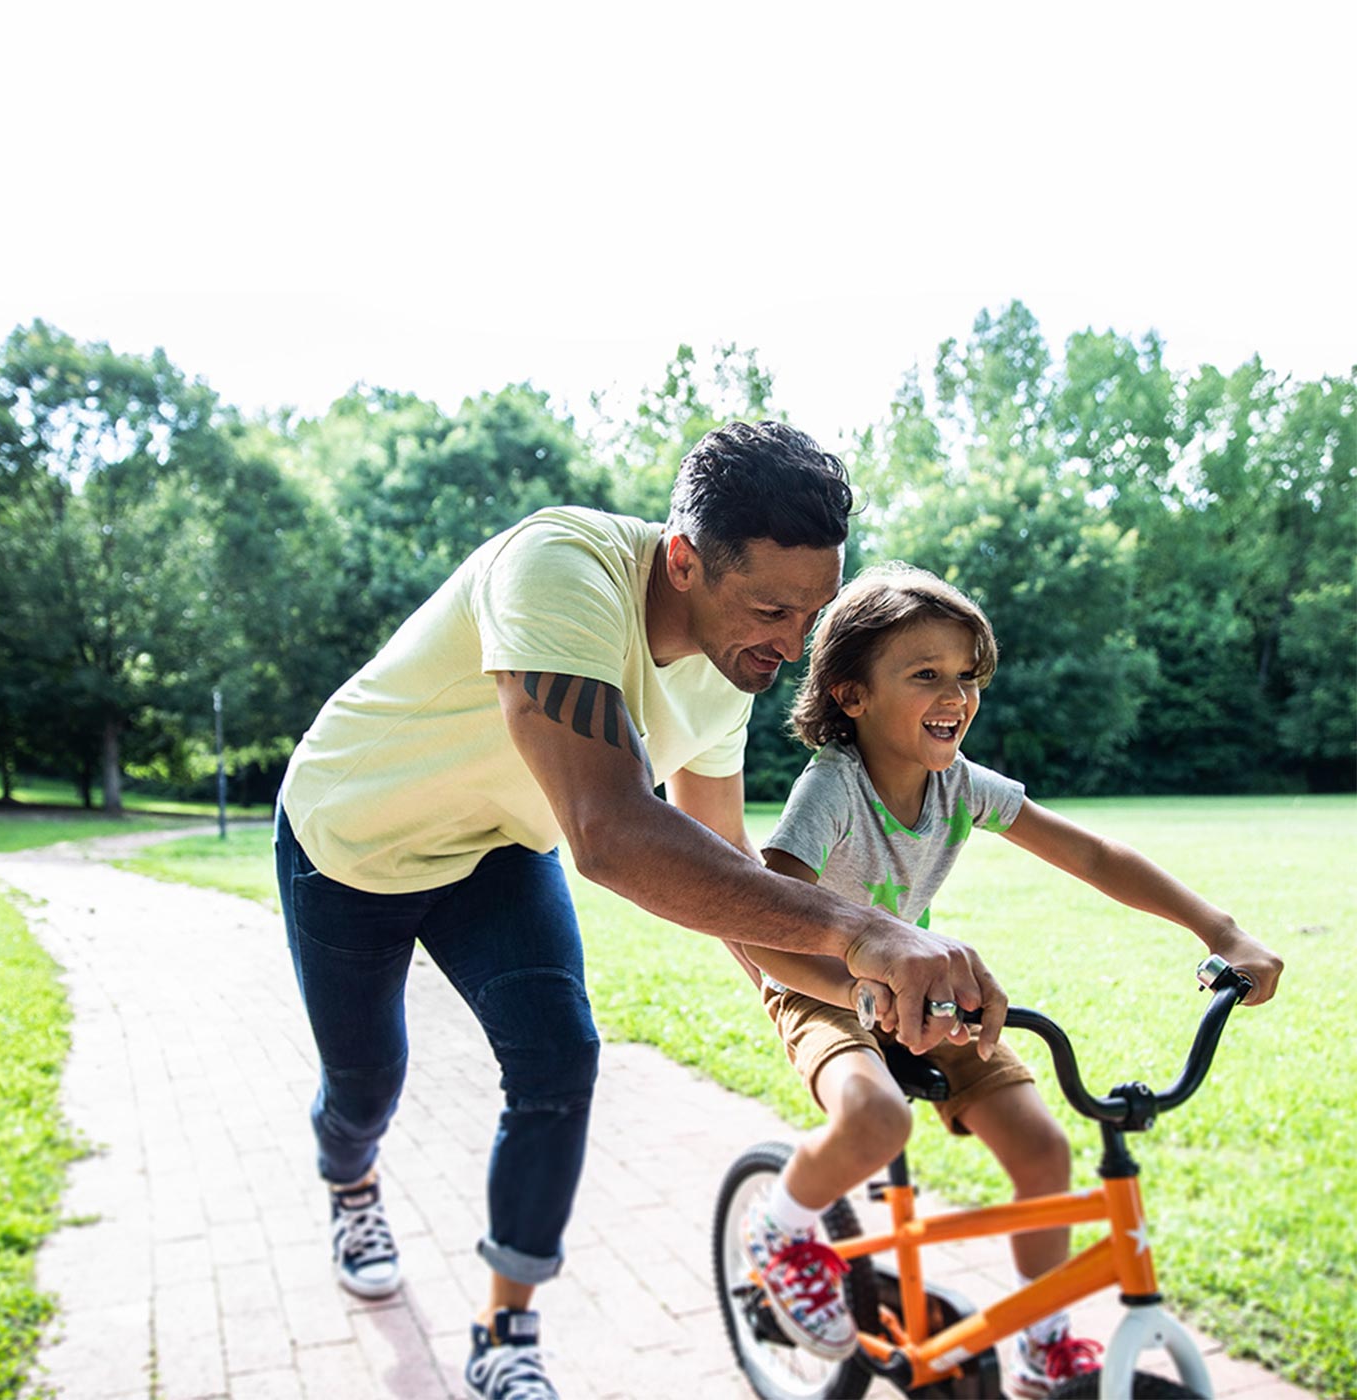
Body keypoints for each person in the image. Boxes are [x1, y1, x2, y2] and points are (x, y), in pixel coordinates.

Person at [273, 422, 1010, 1400]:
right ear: (681, 559)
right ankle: (350, 1179)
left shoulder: (728, 664)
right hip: (350, 841)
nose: (792, 644)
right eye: (769, 608)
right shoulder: (559, 566)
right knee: (366, 1081)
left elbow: (724, 867)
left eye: (812, 610)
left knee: (558, 1057)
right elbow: (610, 830)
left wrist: (847, 1002)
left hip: (497, 850)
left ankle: (505, 1327)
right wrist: (869, 930)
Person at [735, 564, 1283, 1398]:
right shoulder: (832, 788)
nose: (956, 694)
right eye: (926, 675)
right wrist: (857, 991)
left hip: (922, 984)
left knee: (1044, 1148)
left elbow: (1093, 854)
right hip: (819, 985)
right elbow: (764, 921)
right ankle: (781, 1231)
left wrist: (1221, 930)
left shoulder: (959, 785)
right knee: (877, 1117)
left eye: (967, 676)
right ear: (851, 695)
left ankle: (1041, 1343)